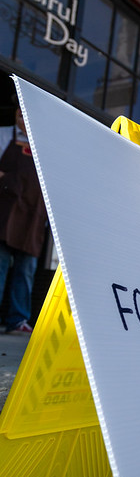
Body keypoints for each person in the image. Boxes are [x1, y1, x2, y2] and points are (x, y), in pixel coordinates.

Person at [0, 100, 47, 335]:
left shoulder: (44, 145)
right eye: (18, 112)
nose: (21, 116)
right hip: (4, 213)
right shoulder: (2, 135)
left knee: (25, 271)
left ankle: (18, 320)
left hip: (32, 218)